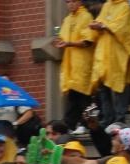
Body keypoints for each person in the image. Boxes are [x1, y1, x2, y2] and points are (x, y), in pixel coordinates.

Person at [89, 0, 130, 128]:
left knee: (119, 87)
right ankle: (108, 118)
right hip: (104, 54)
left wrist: (103, 26)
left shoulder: (125, 7)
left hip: (118, 55)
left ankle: (120, 119)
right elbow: (101, 22)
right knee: (103, 88)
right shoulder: (107, 5)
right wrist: (95, 25)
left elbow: (122, 28)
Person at [54, 0, 95, 132]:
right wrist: (60, 42)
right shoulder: (67, 19)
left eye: (72, 1)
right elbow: (63, 38)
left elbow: (88, 41)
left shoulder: (86, 17)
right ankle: (69, 126)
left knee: (83, 95)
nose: (69, 4)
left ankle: (85, 124)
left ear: (79, 2)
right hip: (70, 65)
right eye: (67, 2)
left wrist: (69, 43)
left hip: (82, 63)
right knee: (73, 96)